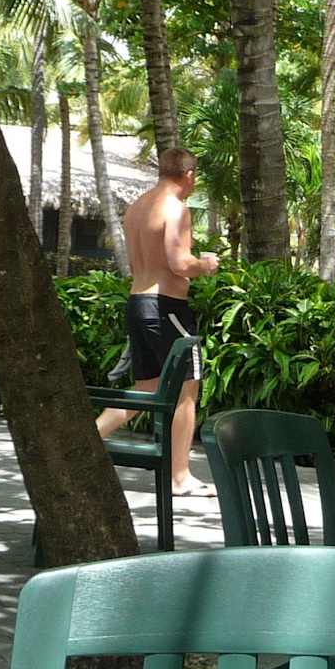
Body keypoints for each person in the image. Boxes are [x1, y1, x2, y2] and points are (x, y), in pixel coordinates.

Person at [98, 148, 217, 495]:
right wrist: (206, 265)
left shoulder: (137, 207)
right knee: (188, 387)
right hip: (167, 306)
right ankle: (180, 476)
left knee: (147, 387)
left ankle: (84, 441)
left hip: (138, 301)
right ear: (189, 175)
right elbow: (179, 263)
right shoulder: (176, 208)